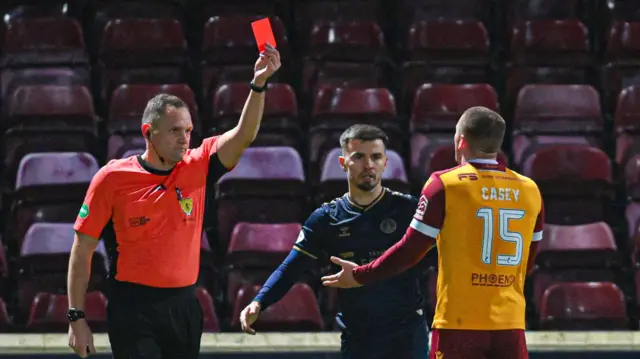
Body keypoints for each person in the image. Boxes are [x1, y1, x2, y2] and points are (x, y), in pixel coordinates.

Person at [67, 44, 281, 358]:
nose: (184, 138)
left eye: (189, 130)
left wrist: (258, 83)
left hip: (183, 307)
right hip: (133, 309)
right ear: (148, 132)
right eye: (174, 131)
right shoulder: (112, 178)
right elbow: (82, 248)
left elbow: (243, 134)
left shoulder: (198, 164)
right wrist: (76, 317)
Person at [322, 107, 544, 359]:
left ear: (461, 141)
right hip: (510, 325)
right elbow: (529, 262)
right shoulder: (530, 190)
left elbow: (410, 250)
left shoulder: (445, 184)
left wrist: (361, 275)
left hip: (459, 325)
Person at [239, 124, 430, 359]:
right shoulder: (326, 218)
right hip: (359, 338)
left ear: (385, 163)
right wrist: (259, 301)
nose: (368, 165)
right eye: (359, 157)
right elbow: (291, 267)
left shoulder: (409, 209)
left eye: (376, 157)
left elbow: (444, 258)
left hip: (407, 334)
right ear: (342, 163)